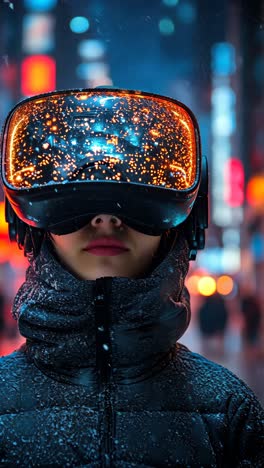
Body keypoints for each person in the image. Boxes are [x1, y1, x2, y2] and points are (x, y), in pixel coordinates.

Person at [0, 88, 263, 467]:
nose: (106, 220)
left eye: (134, 205)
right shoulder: (223, 407)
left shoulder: (230, 410)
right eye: (79, 203)